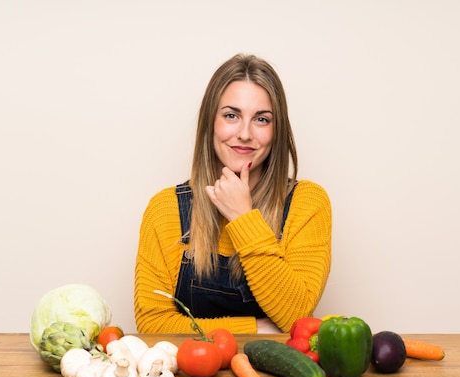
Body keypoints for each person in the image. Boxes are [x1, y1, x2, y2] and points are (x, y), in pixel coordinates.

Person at [134, 53, 332, 334]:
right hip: (192, 376)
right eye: (231, 116)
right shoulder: (164, 209)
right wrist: (255, 329)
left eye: (262, 119)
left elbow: (296, 318)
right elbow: (153, 326)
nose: (245, 133)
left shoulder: (307, 203)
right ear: (210, 123)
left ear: (277, 130)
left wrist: (243, 218)